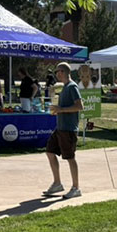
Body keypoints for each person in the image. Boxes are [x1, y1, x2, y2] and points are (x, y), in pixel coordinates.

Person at [44, 62, 83, 199]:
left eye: (57, 72)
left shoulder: (72, 87)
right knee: (49, 151)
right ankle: (57, 183)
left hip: (69, 129)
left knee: (70, 158)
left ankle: (76, 188)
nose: (56, 74)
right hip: (60, 128)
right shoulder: (65, 87)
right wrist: (56, 108)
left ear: (62, 72)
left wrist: (62, 110)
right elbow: (62, 106)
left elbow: (79, 106)